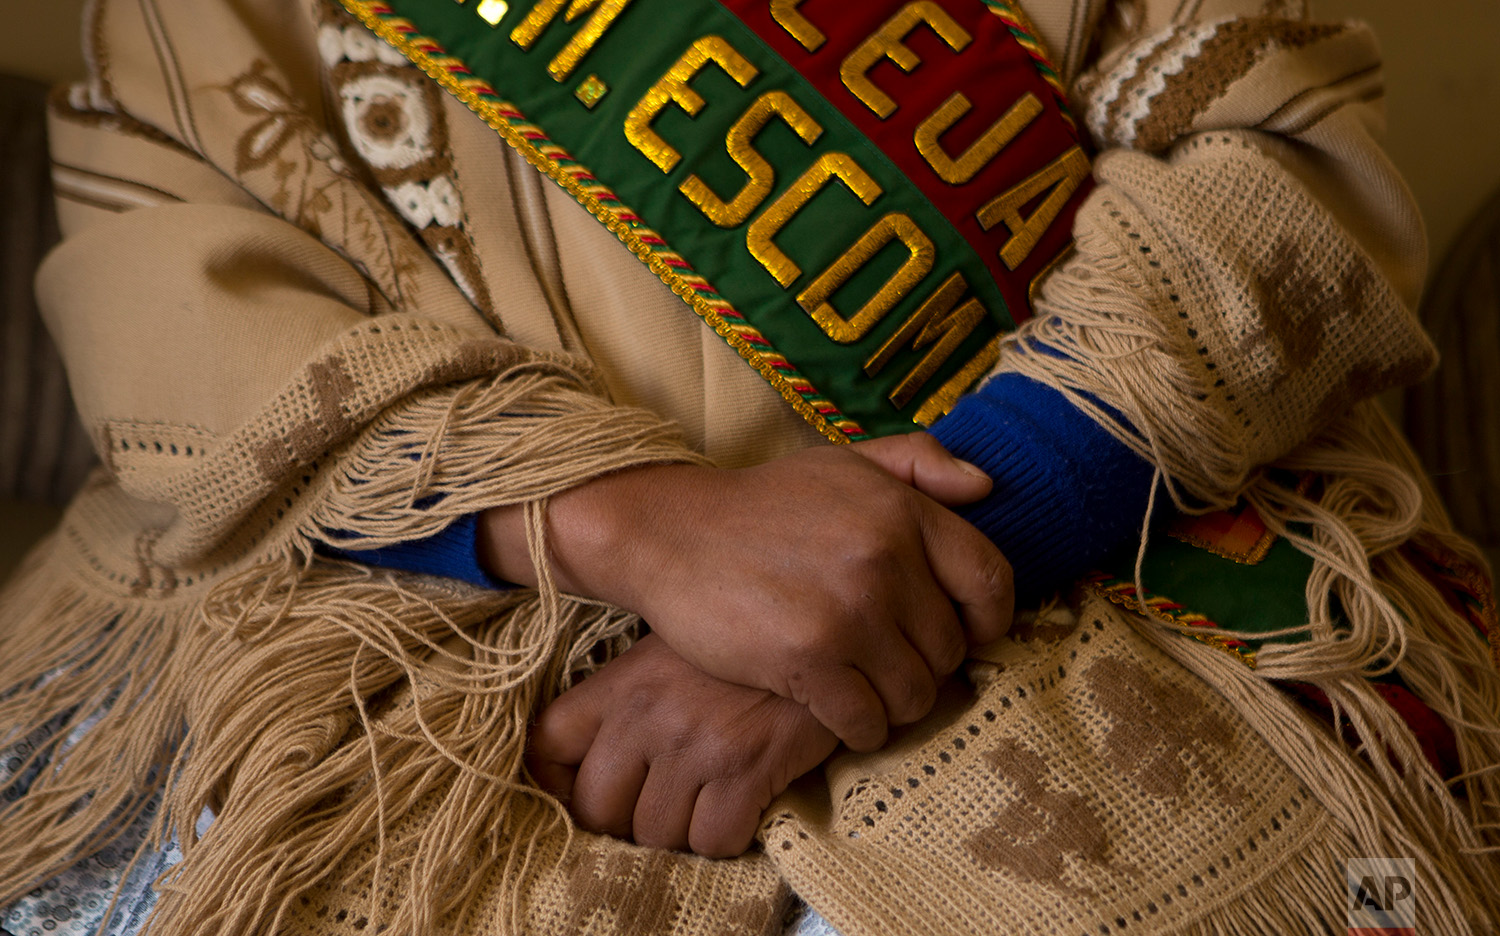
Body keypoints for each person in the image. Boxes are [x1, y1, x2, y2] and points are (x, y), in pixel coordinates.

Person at [2, 0, 1498, 934]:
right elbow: (165, 261)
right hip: (406, 594)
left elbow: (1276, 158)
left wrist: (944, 535)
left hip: (1099, 541)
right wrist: (627, 527)